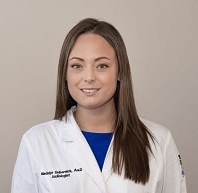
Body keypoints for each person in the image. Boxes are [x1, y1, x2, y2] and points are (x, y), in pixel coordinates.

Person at [11, 18, 187, 193]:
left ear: (120, 71)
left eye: (102, 65)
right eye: (77, 65)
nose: (89, 77)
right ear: (65, 73)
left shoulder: (159, 142)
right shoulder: (36, 142)